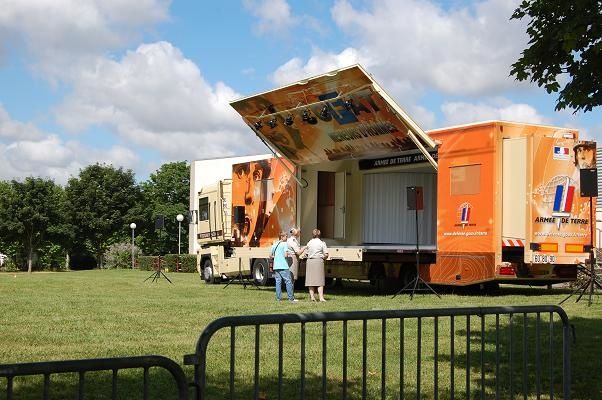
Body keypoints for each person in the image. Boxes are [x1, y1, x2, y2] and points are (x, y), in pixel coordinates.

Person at [271, 231, 298, 302]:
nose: (287, 237)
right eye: (286, 236)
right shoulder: (284, 244)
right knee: (288, 281)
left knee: (278, 282)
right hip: (283, 266)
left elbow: (270, 255)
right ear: (282, 237)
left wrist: (277, 256)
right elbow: (285, 255)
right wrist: (287, 254)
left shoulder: (275, 244)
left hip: (276, 266)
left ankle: (278, 298)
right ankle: (291, 298)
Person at [305, 228, 329, 302]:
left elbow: (306, 253)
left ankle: (312, 297)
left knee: (310, 280)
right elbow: (326, 254)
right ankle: (321, 298)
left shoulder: (309, 242)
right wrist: (324, 258)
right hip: (318, 261)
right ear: (319, 234)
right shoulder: (322, 243)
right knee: (320, 280)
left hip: (310, 261)